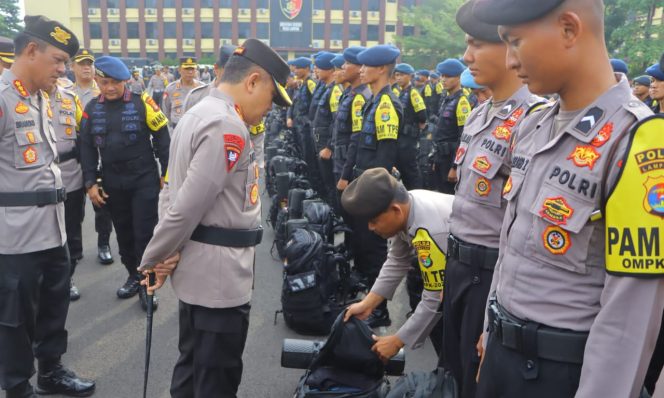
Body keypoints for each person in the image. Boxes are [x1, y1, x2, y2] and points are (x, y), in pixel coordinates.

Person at [471, 0, 664, 397]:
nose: (509, 61)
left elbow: (630, 316)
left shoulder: (637, 140)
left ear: (569, 29)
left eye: (516, 42)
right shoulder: (533, 125)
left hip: (562, 374)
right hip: (503, 356)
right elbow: (510, 245)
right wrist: (491, 333)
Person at [138, 38, 291, 398]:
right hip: (219, 279)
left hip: (200, 271)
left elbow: (170, 191)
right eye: (271, 97)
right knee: (216, 379)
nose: (270, 108)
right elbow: (187, 204)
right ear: (252, 81)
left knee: (192, 369)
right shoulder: (227, 126)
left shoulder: (197, 112)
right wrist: (155, 258)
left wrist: (168, 251)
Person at [439, 3, 544, 397]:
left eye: (475, 45)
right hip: (459, 264)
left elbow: (519, 225)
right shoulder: (479, 114)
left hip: (490, 274)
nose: (467, 57)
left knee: (474, 377)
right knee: (451, 369)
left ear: (506, 48)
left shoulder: (533, 120)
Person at [0, 15, 96, 398]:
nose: (63, 69)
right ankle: (17, 386)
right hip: (14, 237)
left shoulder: (44, 98)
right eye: (57, 60)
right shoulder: (3, 99)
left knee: (54, 307)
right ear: (30, 51)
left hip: (53, 229)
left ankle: (51, 372)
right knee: (15, 319)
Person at [79, 56, 170, 311]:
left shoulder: (144, 104)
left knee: (145, 234)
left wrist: (167, 176)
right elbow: (85, 146)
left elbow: (163, 140)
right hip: (112, 182)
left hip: (143, 180)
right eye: (104, 82)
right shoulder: (91, 108)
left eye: (115, 83)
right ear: (97, 80)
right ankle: (133, 275)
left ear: (126, 81)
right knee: (124, 234)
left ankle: (147, 285)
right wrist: (90, 182)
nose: (109, 88)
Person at [343, 168, 452, 360]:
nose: (370, 227)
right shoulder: (409, 205)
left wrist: (397, 340)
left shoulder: (428, 231)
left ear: (395, 210)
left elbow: (435, 297)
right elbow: (397, 260)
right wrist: (368, 303)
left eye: (374, 220)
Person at [346, 44, 404, 327]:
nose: (361, 70)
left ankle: (378, 309)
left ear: (381, 69)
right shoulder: (373, 100)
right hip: (362, 184)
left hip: (373, 190)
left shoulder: (386, 105)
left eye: (366, 66)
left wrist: (377, 199)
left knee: (375, 251)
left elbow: (385, 157)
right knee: (365, 248)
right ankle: (368, 298)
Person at [68, 48, 115, 265]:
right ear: (72, 67)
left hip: (98, 153)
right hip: (71, 157)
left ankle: (103, 243)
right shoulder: (63, 91)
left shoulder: (104, 91)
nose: (86, 67)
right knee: (73, 208)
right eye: (81, 63)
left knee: (102, 204)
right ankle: (72, 251)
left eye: (90, 63)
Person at [49, 75, 86, 301]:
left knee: (71, 229)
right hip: (37, 179)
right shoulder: (17, 100)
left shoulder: (70, 99)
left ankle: (68, 276)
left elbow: (85, 131)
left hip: (71, 174)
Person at [431, 58, 472, 194]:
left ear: (459, 78)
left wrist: (455, 166)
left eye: (448, 76)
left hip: (450, 159)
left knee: (449, 197)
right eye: (442, 76)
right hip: (440, 156)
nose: (443, 79)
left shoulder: (461, 102)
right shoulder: (446, 99)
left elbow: (463, 137)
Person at [335, 46, 371, 192]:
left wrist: (346, 174)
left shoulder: (360, 97)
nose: (343, 67)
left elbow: (356, 138)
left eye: (347, 63)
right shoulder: (351, 93)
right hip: (340, 159)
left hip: (346, 163)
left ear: (359, 68)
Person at [311, 52, 343, 209]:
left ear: (330, 70)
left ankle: (333, 216)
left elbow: (336, 121)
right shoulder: (326, 88)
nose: (315, 71)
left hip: (326, 146)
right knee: (325, 183)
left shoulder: (335, 91)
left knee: (331, 185)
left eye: (318, 68)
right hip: (320, 142)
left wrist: (329, 146)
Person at [393, 62, 426, 189]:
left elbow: (422, 115)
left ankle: (417, 193)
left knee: (410, 169)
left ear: (410, 76)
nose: (398, 77)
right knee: (401, 167)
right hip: (400, 137)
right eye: (397, 75)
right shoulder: (400, 92)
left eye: (402, 75)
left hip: (409, 138)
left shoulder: (413, 93)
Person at [162, 57, 204, 129]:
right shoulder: (170, 88)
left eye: (192, 69)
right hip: (177, 126)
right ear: (179, 70)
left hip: (197, 127)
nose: (190, 72)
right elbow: (166, 109)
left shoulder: (202, 88)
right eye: (187, 69)